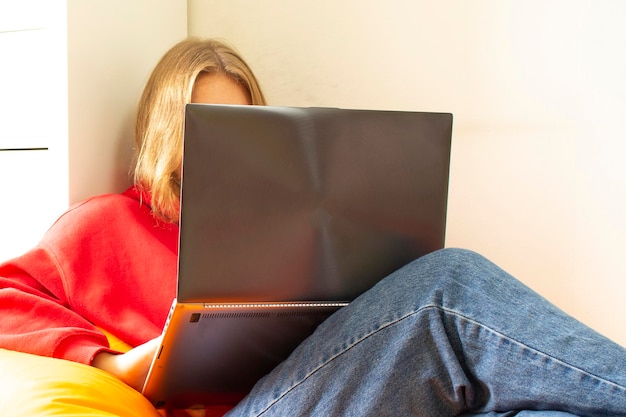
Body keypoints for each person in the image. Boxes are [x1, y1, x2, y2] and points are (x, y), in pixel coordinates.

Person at [0, 37, 624, 417]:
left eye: (244, 125)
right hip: (247, 412)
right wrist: (116, 366)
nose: (231, 146)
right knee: (448, 285)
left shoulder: (279, 219)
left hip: (319, 387)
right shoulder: (109, 225)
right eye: (208, 125)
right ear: (169, 131)